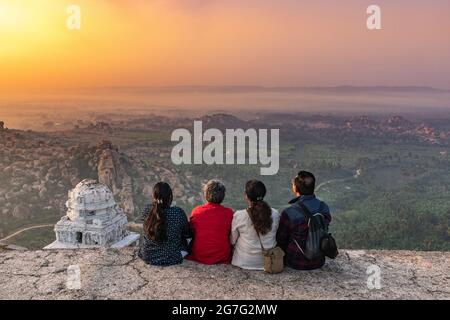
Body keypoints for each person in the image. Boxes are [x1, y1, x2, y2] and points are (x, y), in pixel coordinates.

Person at [276, 171, 331, 270]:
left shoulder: (289, 212)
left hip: (294, 261)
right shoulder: (324, 207)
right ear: (313, 187)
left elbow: (281, 239)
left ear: (295, 188)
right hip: (319, 261)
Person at [139, 182, 192, 266]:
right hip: (172, 257)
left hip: (148, 256)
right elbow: (187, 234)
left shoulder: (147, 209)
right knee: (185, 243)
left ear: (153, 196)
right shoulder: (178, 212)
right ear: (170, 197)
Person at [231, 180, 280, 270]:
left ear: (246, 196)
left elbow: (233, 241)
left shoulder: (239, 215)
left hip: (243, 261)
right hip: (269, 261)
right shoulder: (275, 214)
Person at [188, 180, 234, 264]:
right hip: (222, 256)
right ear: (223, 196)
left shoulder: (197, 211)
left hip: (200, 255)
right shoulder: (229, 213)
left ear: (206, 195)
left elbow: (192, 232)